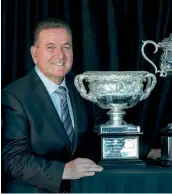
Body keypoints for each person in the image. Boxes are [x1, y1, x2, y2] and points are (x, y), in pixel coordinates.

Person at [1, 18, 103, 193]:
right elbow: (14, 160)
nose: (60, 55)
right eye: (50, 47)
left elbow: (99, 131)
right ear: (34, 54)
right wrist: (64, 171)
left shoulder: (82, 89)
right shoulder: (14, 96)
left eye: (66, 47)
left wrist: (145, 150)